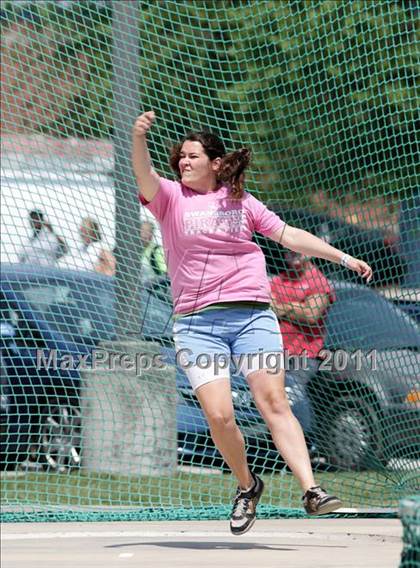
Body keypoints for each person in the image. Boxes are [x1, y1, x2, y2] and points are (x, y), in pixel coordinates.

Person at [132, 110, 373, 535]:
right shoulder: (170, 198)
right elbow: (144, 173)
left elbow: (290, 235)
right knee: (220, 416)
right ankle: (247, 486)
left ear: (216, 162)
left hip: (252, 317)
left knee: (273, 402)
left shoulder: (242, 202)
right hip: (196, 324)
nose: (183, 162)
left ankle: (312, 490)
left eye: (192, 156)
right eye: (180, 157)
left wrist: (342, 257)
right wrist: (138, 138)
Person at [270, 251, 335, 433]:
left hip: (305, 356)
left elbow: (312, 314)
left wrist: (283, 308)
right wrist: (299, 306)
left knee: (294, 394)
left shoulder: (318, 281)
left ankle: (305, 441)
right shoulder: (278, 280)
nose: (293, 254)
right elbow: (268, 306)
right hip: (276, 353)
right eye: (288, 250)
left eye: (298, 249)